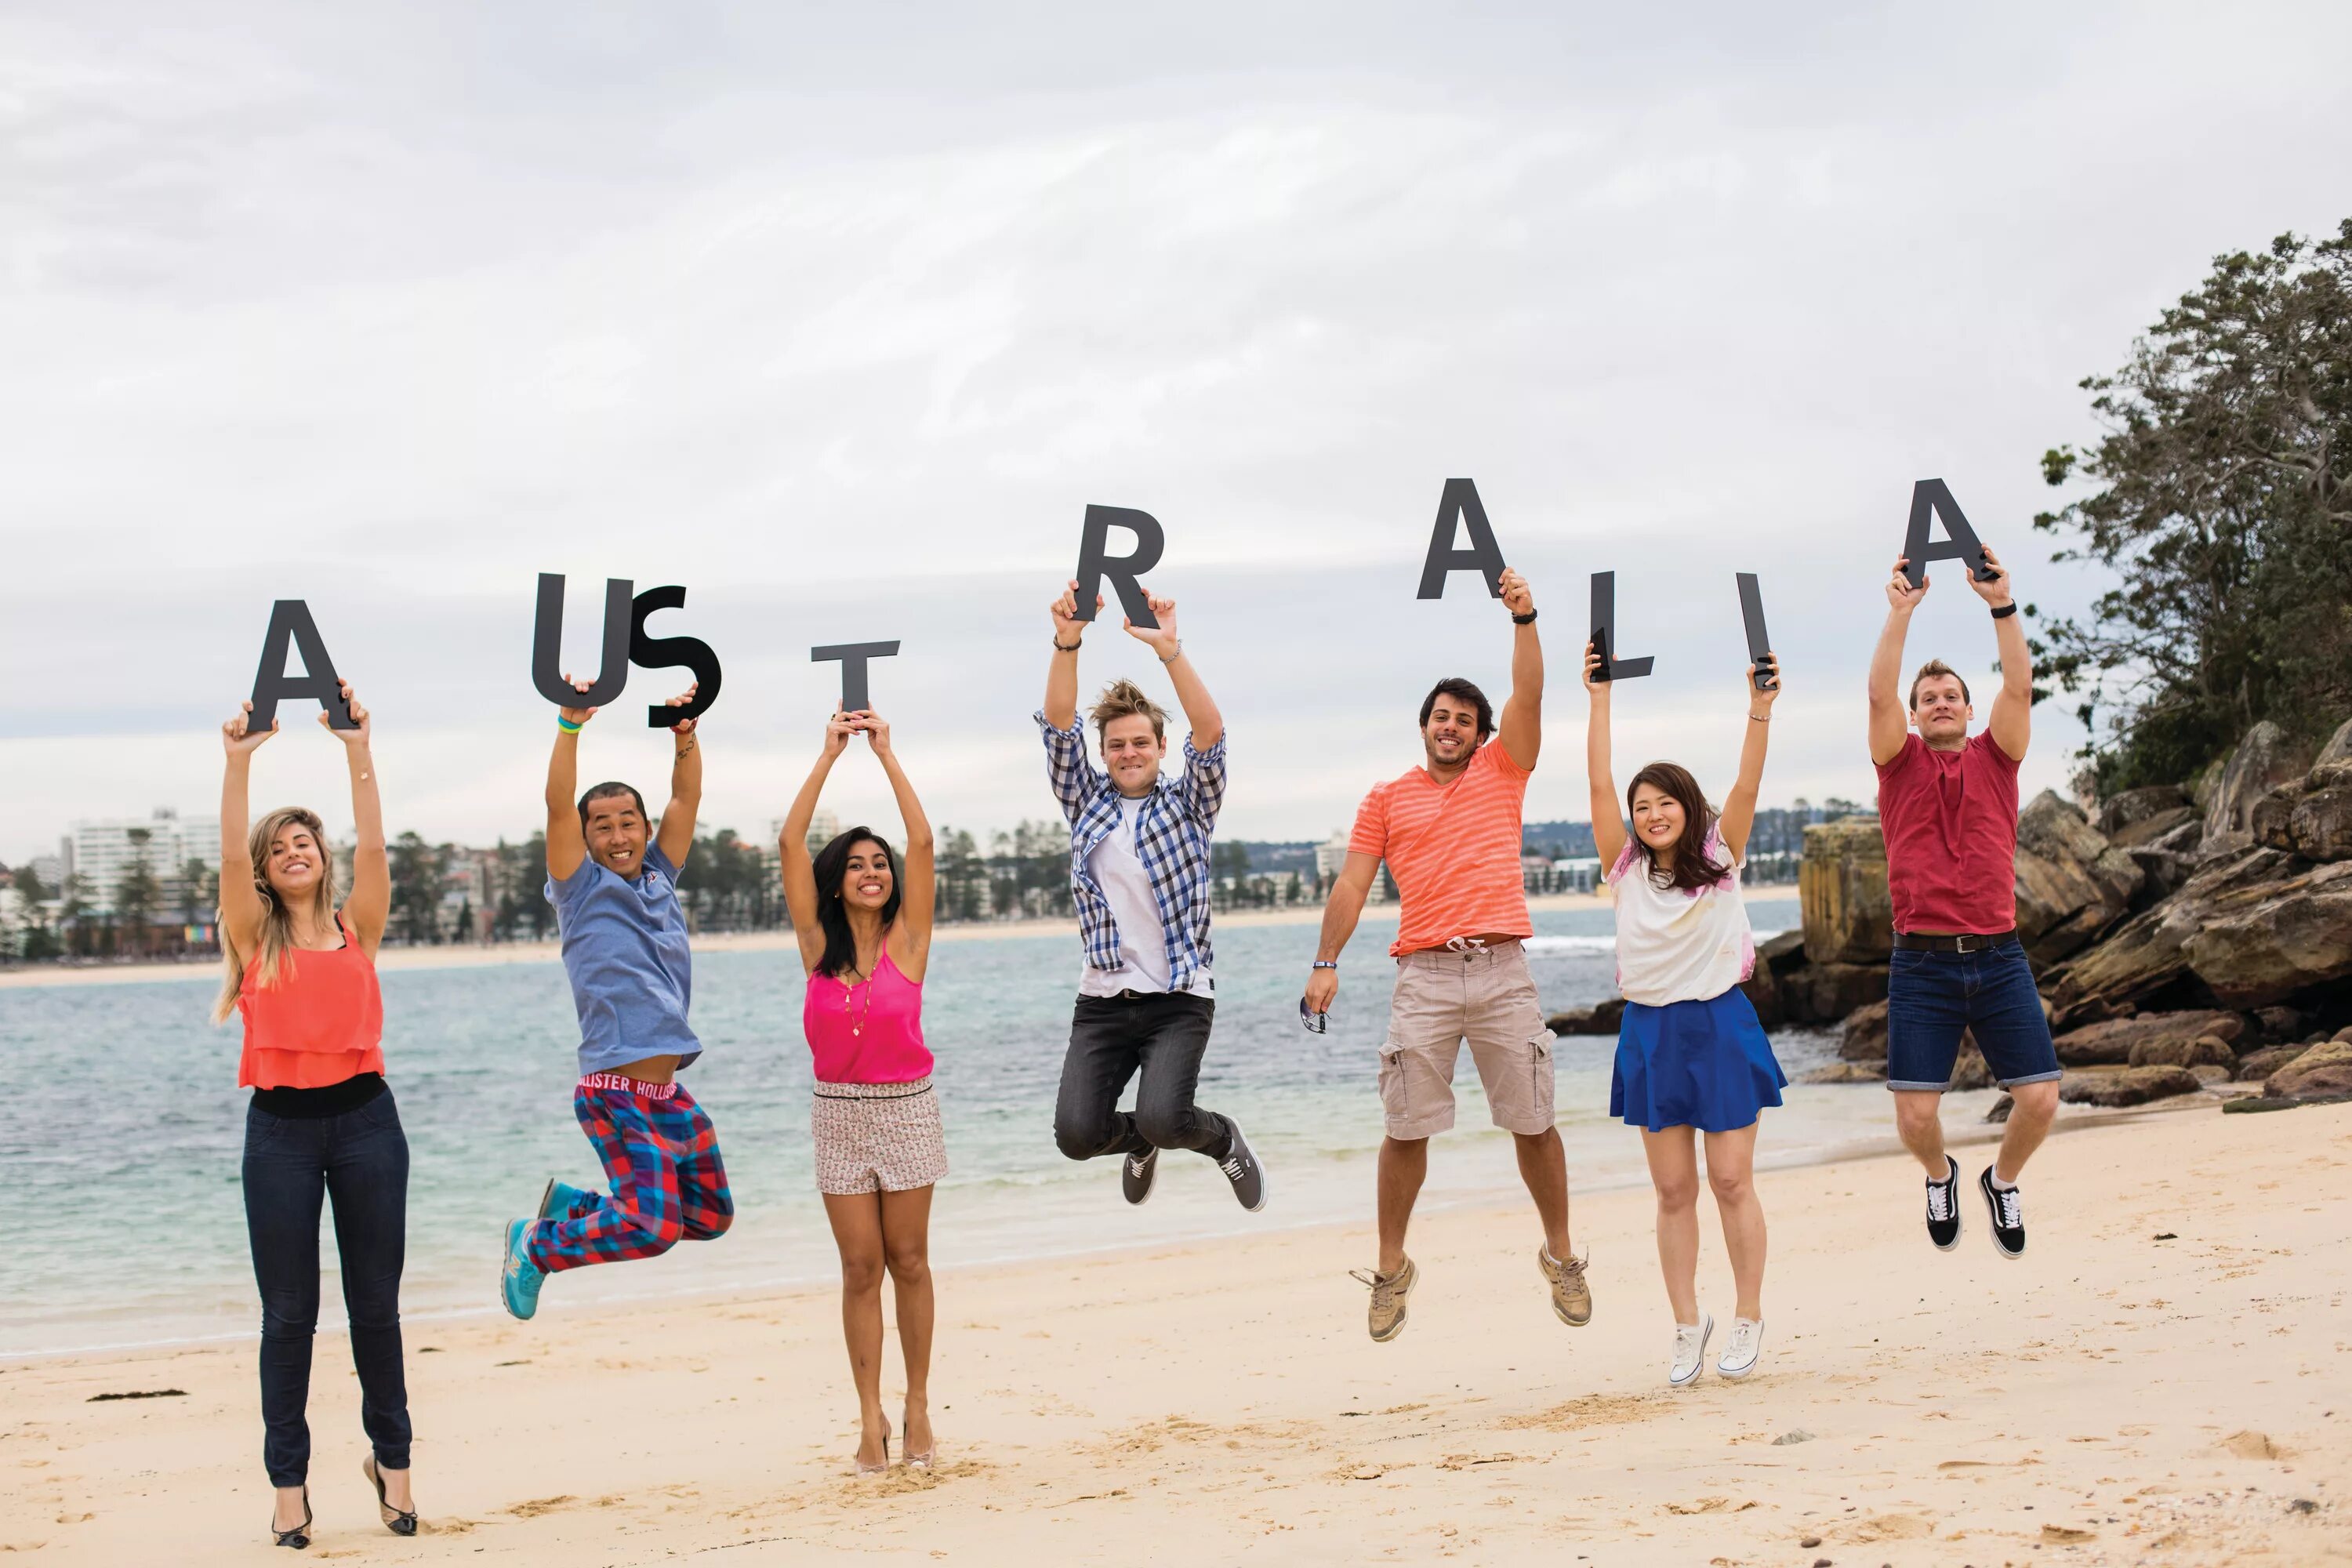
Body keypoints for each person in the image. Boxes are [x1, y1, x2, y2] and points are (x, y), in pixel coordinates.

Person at [1307, 568, 1588, 1343]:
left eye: (1465, 718)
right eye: (1440, 715)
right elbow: (1354, 882)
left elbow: (1529, 696)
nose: (1451, 726)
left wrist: (1524, 616)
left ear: (1481, 730)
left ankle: (1561, 1253)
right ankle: (1392, 1267)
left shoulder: (1505, 769)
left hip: (1502, 971)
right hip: (1423, 976)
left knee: (1534, 1121)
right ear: (1424, 723)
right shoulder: (1386, 798)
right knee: (1405, 1129)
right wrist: (1326, 959)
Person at [215, 682, 419, 1548]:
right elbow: (226, 851)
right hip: (282, 1136)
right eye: (279, 845)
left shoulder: (358, 925)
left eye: (306, 839)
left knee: (376, 1306)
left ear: (322, 859)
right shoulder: (249, 933)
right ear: (265, 870)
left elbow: (375, 840)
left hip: (369, 1122)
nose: (294, 849)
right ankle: (289, 1487)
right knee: (288, 1313)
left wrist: (356, 747)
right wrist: (238, 764)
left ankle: (395, 1466)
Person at [499, 679, 733, 1319]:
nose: (617, 833)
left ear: (645, 826)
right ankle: (538, 1245)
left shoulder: (661, 876)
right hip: (614, 1090)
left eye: (627, 820)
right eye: (600, 826)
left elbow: (688, 796)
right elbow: (555, 809)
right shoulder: (578, 889)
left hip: (669, 1094)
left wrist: (685, 737)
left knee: (708, 1216)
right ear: (585, 839)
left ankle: (579, 1208)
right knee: (653, 1230)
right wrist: (570, 728)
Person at [1586, 644, 1788, 1386]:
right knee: (1673, 1191)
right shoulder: (1625, 869)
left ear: (1689, 807)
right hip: (1652, 1033)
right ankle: (1684, 1325)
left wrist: (1759, 707)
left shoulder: (1723, 853)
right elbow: (1599, 780)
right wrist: (1599, 698)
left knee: (1732, 1181)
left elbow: (1749, 777)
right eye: (1642, 807)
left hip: (1720, 1026)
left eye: (1664, 801)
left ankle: (1748, 1314)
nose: (1650, 814)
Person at [1040, 579, 1267, 1213]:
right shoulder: (1086, 801)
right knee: (1077, 1136)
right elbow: (1058, 727)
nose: (1129, 752)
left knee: (1169, 1118)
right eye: (1116, 745)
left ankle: (1221, 1140)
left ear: (1161, 747)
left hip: (1178, 1001)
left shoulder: (1189, 804)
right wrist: (1067, 640)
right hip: (1104, 1001)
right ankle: (1139, 1139)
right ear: (1104, 753)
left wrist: (1169, 650)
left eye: (1141, 742)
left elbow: (1212, 729)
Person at [1867, 545, 2058, 1258]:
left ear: (1969, 710)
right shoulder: (1898, 762)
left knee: (2039, 1100)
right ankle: (1941, 1174)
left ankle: (2001, 1183)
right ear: (1916, 717)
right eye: (1929, 699)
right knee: (1917, 1118)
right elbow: (1880, 695)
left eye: (1951, 696)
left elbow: (2020, 683)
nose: (1940, 703)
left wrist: (2001, 604)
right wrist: (1900, 614)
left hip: (2000, 956)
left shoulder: (1998, 755)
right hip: (1921, 967)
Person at [779, 706, 947, 1476]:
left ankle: (916, 1406)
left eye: (879, 862)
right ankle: (868, 1416)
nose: (873, 871)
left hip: (907, 1106)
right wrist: (826, 755)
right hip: (838, 1115)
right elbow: (788, 843)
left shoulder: (911, 941)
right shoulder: (817, 947)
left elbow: (923, 842)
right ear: (838, 881)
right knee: (859, 1267)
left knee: (908, 1258)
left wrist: (886, 754)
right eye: (857, 863)